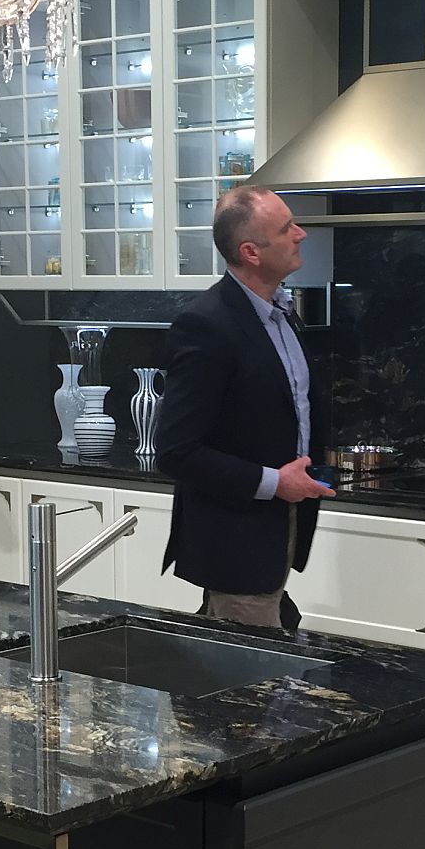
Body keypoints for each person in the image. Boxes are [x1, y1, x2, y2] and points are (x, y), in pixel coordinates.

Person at [156, 186, 333, 628]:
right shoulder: (206, 325)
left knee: (262, 671)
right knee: (247, 686)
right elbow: (177, 450)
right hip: (236, 544)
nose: (301, 234)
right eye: (286, 228)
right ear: (251, 251)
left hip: (276, 535)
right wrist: (275, 483)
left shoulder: (283, 313)